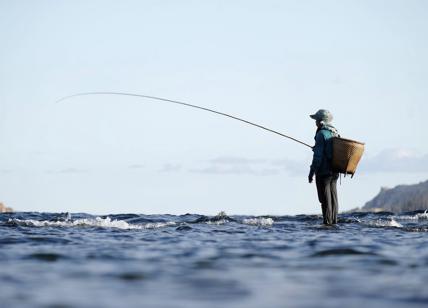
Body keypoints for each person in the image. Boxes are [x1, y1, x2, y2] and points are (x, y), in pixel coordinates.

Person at [308, 109, 340, 225]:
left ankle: (327, 224)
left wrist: (311, 172)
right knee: (333, 198)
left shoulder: (321, 134)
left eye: (316, 120)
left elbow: (318, 157)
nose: (315, 122)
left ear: (321, 121)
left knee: (325, 200)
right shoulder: (335, 132)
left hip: (324, 172)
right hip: (335, 171)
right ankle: (334, 223)